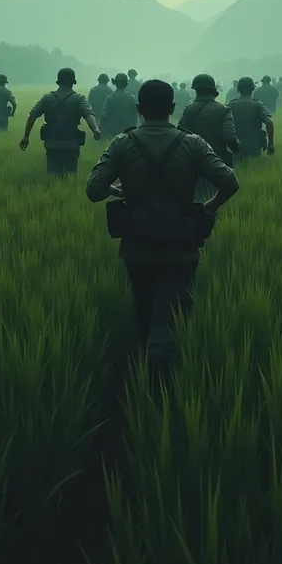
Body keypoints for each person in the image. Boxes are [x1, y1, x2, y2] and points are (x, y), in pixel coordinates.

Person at [85, 79, 239, 373]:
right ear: (171, 108)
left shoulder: (122, 142)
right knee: (170, 314)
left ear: (139, 109)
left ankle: (145, 367)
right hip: (180, 244)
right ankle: (162, 376)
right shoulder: (192, 143)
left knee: (143, 308)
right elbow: (230, 182)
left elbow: (94, 189)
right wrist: (210, 206)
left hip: (137, 244)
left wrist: (119, 191)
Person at [19, 67, 101, 176]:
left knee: (53, 173)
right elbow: (88, 114)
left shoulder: (47, 98)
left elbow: (33, 115)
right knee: (70, 173)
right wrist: (95, 129)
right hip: (71, 142)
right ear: (74, 82)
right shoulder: (79, 98)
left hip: (52, 142)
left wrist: (26, 136)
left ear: (57, 82)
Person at [178, 73, 240, 200]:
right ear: (213, 90)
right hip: (217, 159)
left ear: (195, 90)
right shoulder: (223, 110)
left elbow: (180, 133)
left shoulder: (188, 109)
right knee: (215, 198)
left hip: (192, 160)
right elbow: (229, 137)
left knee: (195, 197)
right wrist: (236, 148)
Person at [228, 76, 275, 160]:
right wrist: (270, 143)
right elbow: (269, 122)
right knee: (254, 166)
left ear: (238, 89)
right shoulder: (258, 105)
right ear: (253, 88)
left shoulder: (232, 105)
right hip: (254, 144)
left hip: (236, 144)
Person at [99, 73, 138, 138]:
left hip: (113, 129)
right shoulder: (131, 98)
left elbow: (104, 115)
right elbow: (138, 113)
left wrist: (98, 128)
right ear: (126, 84)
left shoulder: (109, 98)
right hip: (129, 129)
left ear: (115, 83)